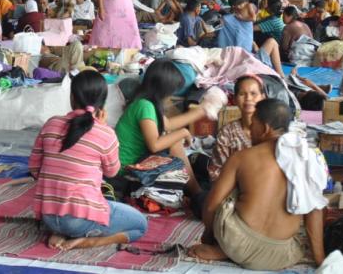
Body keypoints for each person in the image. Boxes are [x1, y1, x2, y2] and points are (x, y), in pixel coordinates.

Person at [189, 99, 325, 271]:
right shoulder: (306, 158)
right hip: (282, 255)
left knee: (226, 192)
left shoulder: (241, 157)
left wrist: (208, 238)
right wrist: (320, 259)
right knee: (306, 201)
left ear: (265, 128)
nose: (250, 131)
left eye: (253, 124)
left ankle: (223, 251)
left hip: (235, 244)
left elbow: (211, 206)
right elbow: (315, 209)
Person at [29, 70, 148, 251]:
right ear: (103, 101)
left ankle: (62, 231)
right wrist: (102, 127)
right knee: (141, 225)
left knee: (88, 205)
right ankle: (89, 240)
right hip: (79, 220)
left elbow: (35, 169)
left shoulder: (51, 124)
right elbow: (112, 172)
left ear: (72, 97)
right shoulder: (104, 133)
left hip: (49, 215)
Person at [114, 60, 218, 196]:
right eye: (172, 91)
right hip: (126, 169)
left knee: (173, 140)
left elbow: (167, 124)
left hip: (133, 161)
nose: (171, 95)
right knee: (174, 142)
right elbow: (154, 145)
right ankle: (196, 193)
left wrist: (201, 111)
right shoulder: (145, 106)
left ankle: (194, 188)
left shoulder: (145, 102)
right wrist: (183, 132)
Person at [208, 76, 266, 181]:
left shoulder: (270, 130)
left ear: (263, 97)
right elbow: (216, 171)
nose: (248, 98)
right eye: (242, 94)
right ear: (234, 99)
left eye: (253, 94)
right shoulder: (227, 132)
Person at [218, 0, 285, 77]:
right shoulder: (248, 16)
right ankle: (281, 75)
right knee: (272, 42)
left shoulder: (226, 19)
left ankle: (280, 74)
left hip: (232, 59)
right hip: (246, 62)